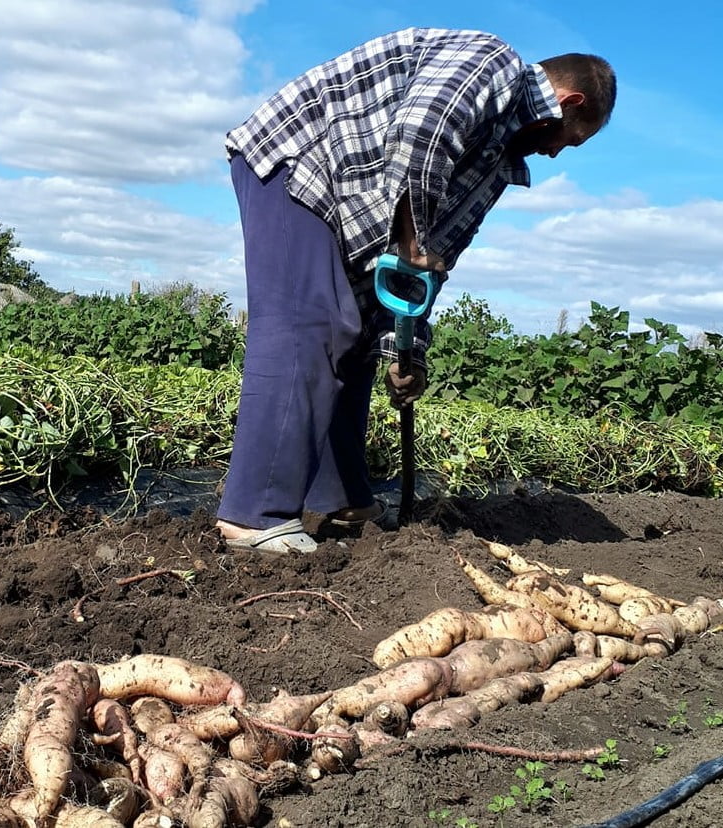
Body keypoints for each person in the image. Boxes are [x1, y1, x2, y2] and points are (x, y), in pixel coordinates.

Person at [215, 27, 616, 552]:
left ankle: (338, 497)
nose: (559, 154)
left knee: (355, 341)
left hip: (351, 214)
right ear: (570, 102)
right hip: (302, 159)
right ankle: (255, 512)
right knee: (309, 322)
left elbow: (428, 266)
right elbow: (424, 130)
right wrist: (409, 240)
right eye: (572, 138)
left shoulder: (496, 166)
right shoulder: (493, 62)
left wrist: (407, 350)